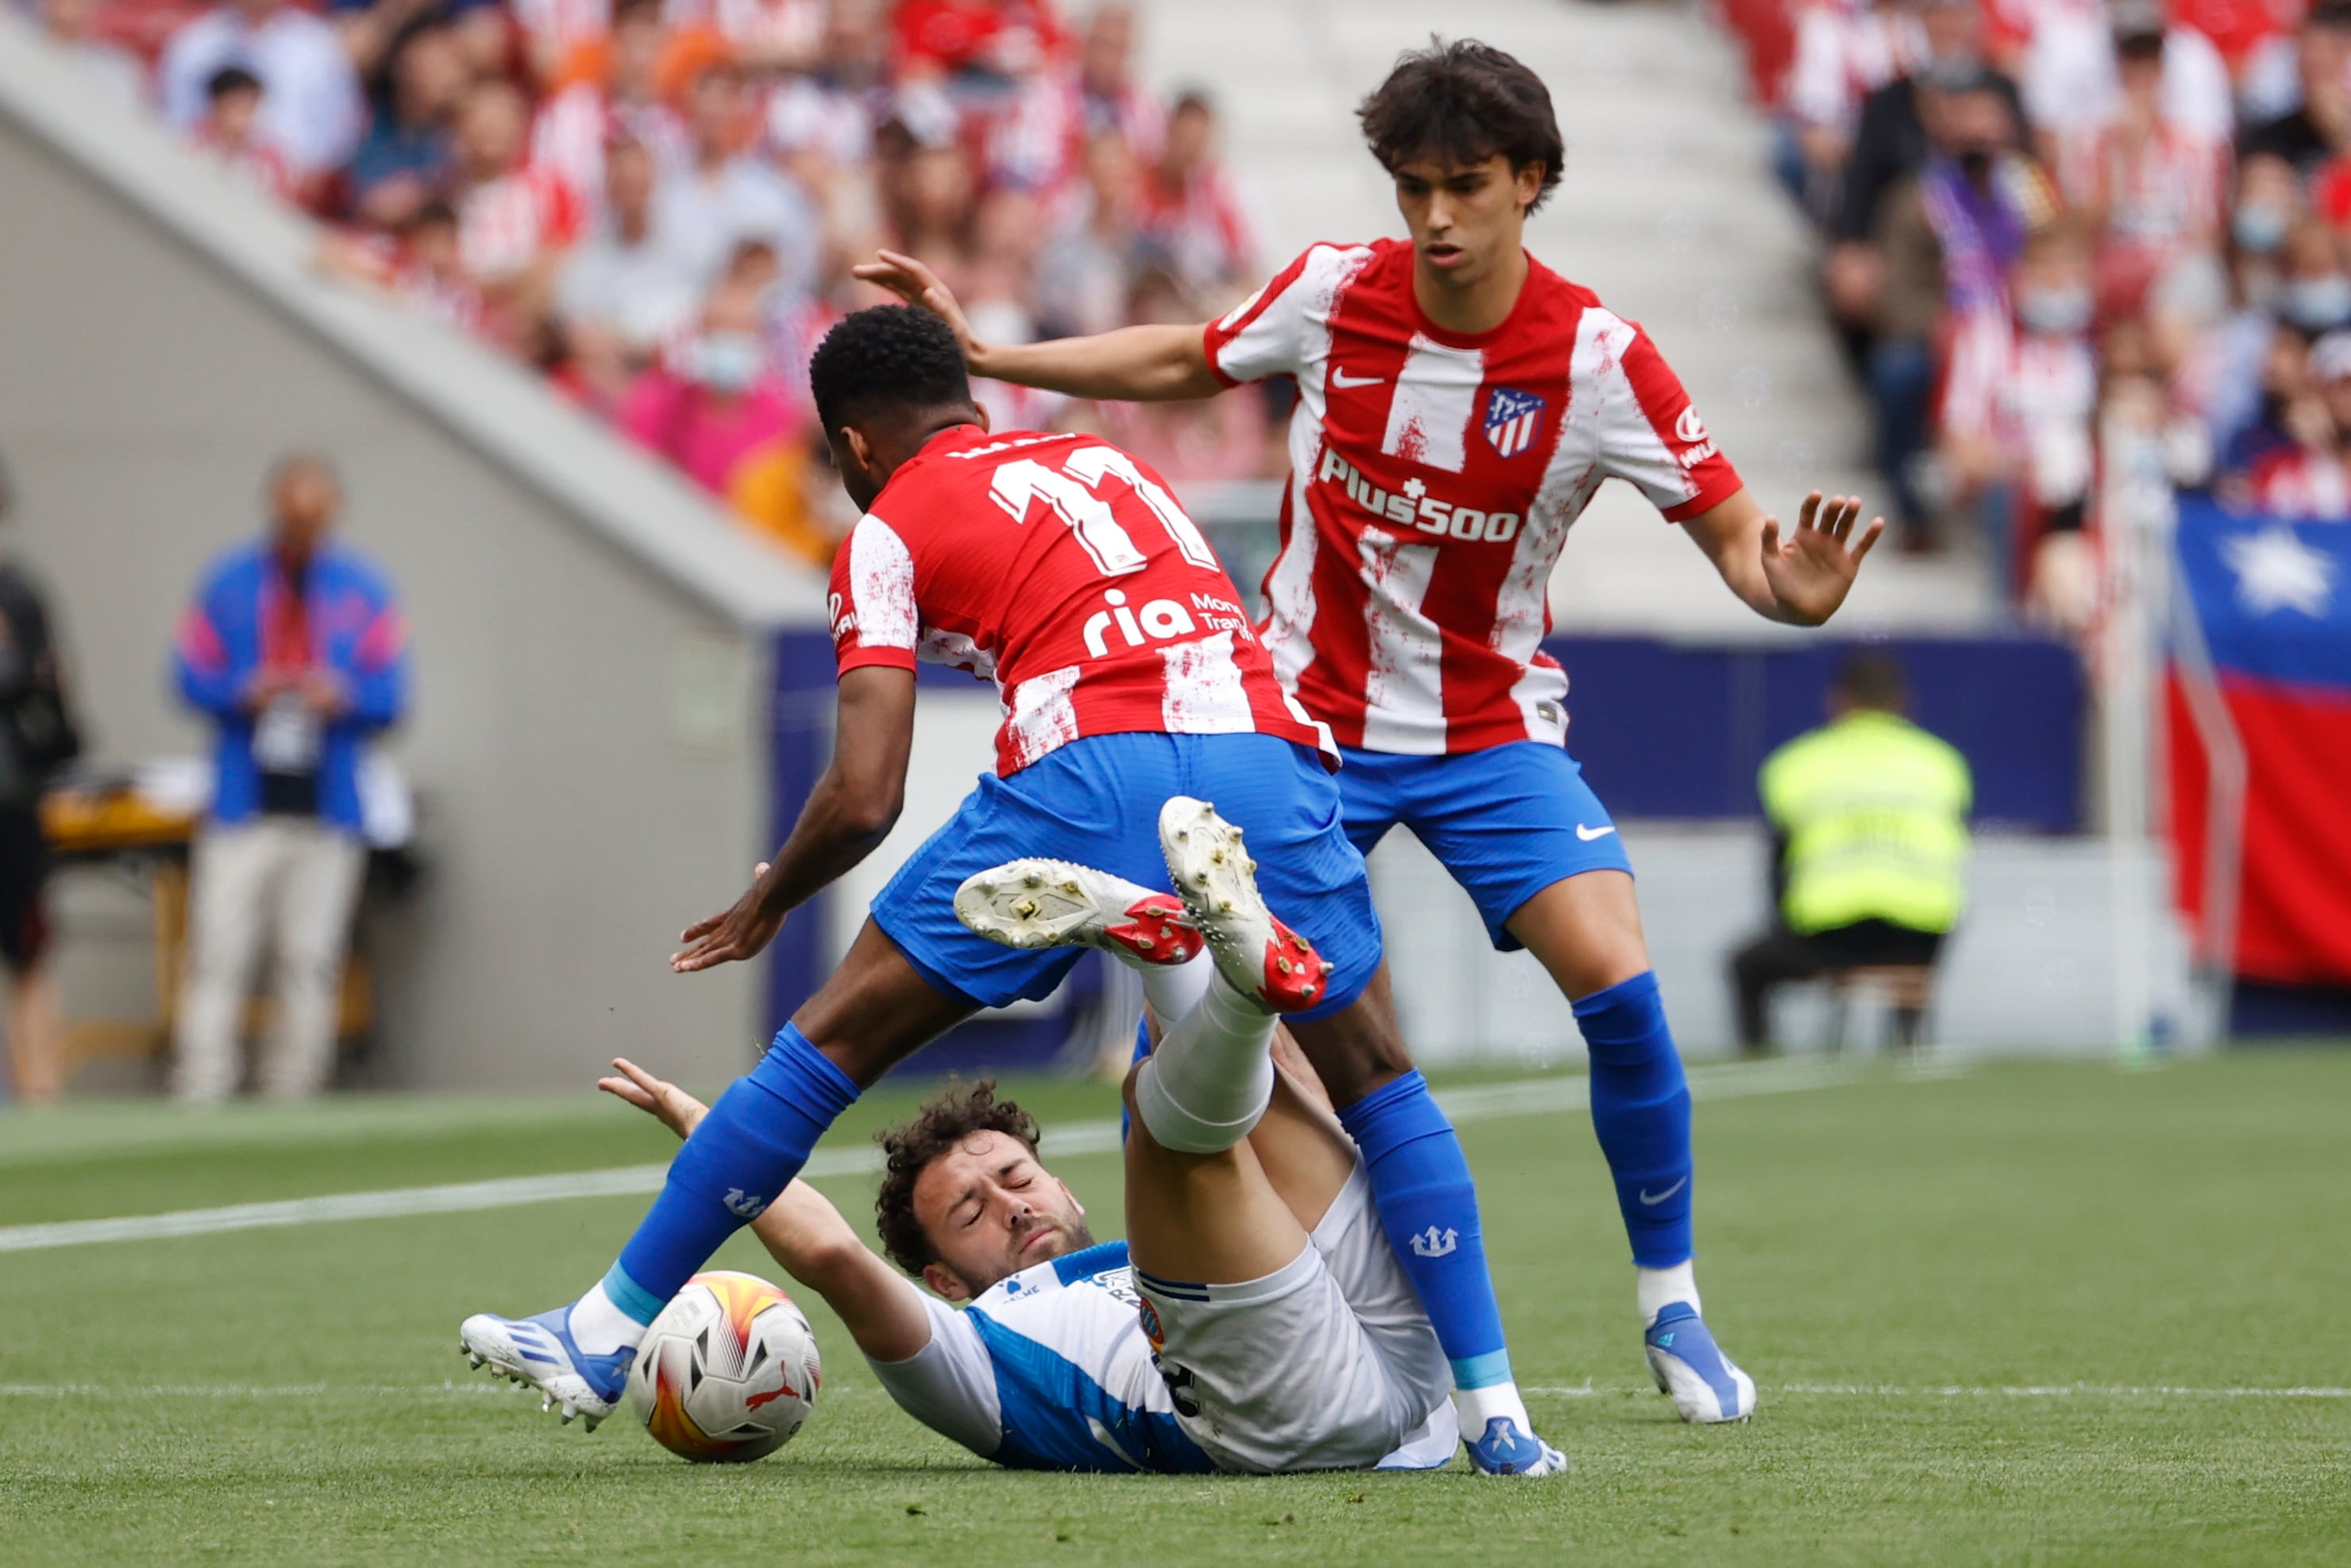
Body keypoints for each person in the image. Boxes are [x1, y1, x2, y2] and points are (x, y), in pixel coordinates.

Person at [852, 37, 1886, 1424]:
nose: (1437, 218)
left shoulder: (1597, 360)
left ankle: (1674, 1307)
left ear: (1531, 181)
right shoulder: (1340, 292)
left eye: (1465, 186)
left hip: (1489, 733)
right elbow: (1187, 355)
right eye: (1413, 189)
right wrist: (989, 352)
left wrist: (1791, 590)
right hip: (1296, 728)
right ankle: (1285, 1321)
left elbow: (1744, 542)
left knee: (1620, 986)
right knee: (1251, 1053)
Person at [457, 302, 1568, 1476]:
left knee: (816, 1052)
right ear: (971, 405)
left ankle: (602, 1329)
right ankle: (1495, 1408)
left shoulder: (883, 527)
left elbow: (866, 791)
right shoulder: (1107, 461)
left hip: (1088, 760)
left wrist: (770, 897)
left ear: (854, 448)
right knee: (1377, 1080)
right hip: (1265, 747)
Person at [487, 835, 1461, 1475]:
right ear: (944, 1276)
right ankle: (1190, 970)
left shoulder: (1143, 1254)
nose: (1015, 1205)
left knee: (1238, 1091)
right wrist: (709, 1128)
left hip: (1413, 1377)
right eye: (974, 1212)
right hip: (1289, 1426)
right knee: (1164, 1114)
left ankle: (1204, 965)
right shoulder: (972, 1350)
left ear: (1058, 1182)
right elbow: (831, 1252)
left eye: (1017, 1176)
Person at [169, 455, 408, 1104]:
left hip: (327, 801)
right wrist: (241, 689)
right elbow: (188, 673)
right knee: (218, 950)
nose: (303, 528)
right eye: (293, 516)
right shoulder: (229, 582)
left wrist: (343, 696)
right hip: (243, 799)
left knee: (310, 958)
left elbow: (391, 692)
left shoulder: (361, 589)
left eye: (316, 517)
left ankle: (294, 1088)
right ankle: (202, 1085)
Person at [1729, 652, 1971, 1053]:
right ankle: (1907, 1040)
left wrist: (1782, 921)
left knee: (1744, 965)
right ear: (1903, 702)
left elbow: (1779, 861)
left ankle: (1759, 1058)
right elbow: (1955, 846)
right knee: (1925, 926)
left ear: (1838, 701)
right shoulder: (1943, 762)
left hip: (1829, 933)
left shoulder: (1796, 763)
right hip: (1922, 933)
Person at [0, 451, 82, 1105]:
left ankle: (40, 1085)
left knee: (27, 943)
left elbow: (48, 687)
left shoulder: (19, 595)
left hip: (14, 794)